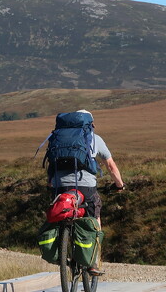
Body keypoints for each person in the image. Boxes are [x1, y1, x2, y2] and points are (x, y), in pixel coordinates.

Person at [46, 109, 124, 276]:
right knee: (94, 218)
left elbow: (51, 164)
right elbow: (110, 166)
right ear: (90, 124)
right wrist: (120, 185)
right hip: (85, 187)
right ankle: (93, 263)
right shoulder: (95, 139)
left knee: (60, 212)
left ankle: (59, 249)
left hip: (59, 186)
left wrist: (51, 185)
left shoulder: (57, 138)